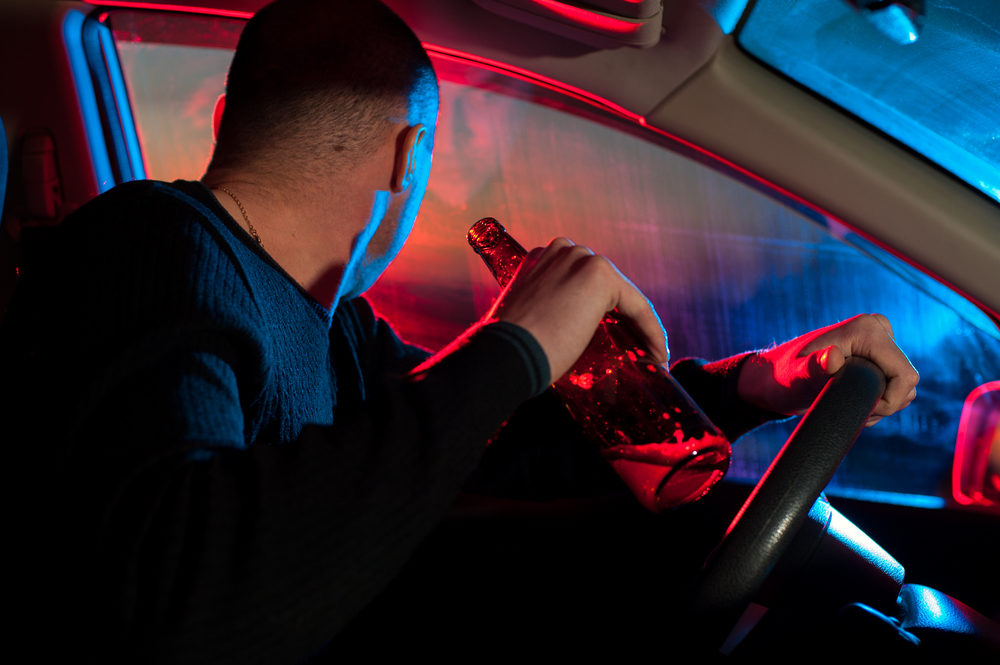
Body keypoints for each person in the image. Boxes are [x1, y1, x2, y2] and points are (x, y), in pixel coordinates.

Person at [0, 0, 918, 662]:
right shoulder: (145, 248)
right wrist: (513, 342)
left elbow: (470, 450)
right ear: (408, 156)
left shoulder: (336, 326)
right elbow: (184, 593)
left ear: (224, 118)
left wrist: (752, 380)